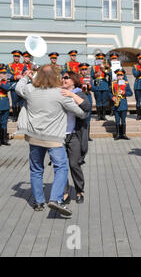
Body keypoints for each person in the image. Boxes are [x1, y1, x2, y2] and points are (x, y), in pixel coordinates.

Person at [15, 65, 89, 216]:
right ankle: (55, 199)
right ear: (56, 77)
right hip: (54, 139)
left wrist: (26, 76)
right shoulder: (60, 93)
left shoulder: (30, 90)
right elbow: (81, 114)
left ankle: (38, 202)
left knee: (36, 169)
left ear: (38, 76)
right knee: (61, 168)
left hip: (34, 137)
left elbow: (18, 88)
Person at [60, 71, 91, 205]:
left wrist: (71, 95)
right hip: (59, 135)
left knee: (74, 164)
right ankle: (65, 192)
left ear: (73, 80)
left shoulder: (79, 93)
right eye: (62, 77)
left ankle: (79, 190)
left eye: (66, 78)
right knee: (61, 166)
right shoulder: (58, 92)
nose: (63, 79)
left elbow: (87, 107)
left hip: (74, 135)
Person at [111, 68, 133, 140]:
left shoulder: (126, 84)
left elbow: (130, 93)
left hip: (123, 103)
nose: (120, 76)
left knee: (123, 120)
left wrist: (124, 92)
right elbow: (109, 93)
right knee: (117, 120)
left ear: (123, 76)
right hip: (116, 104)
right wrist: (112, 97)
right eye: (118, 75)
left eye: (121, 75)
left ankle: (123, 134)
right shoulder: (113, 83)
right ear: (116, 76)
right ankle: (117, 134)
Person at [7, 50, 26, 122]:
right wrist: (15, 77)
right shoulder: (9, 65)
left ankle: (20, 117)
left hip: (21, 86)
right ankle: (15, 117)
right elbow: (7, 75)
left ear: (20, 57)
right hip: (14, 86)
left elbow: (26, 74)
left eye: (18, 56)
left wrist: (23, 76)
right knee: (14, 103)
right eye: (15, 56)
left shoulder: (23, 66)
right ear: (13, 57)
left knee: (21, 103)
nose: (16, 57)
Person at [91, 53, 110, 121]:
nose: (101, 60)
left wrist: (103, 68)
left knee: (104, 101)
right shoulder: (93, 67)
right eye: (99, 58)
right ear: (97, 59)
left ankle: (103, 115)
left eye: (102, 58)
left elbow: (109, 73)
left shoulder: (106, 66)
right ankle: (99, 116)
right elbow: (91, 76)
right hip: (97, 85)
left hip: (104, 85)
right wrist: (92, 86)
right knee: (98, 101)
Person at [79, 63, 93, 141]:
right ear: (80, 70)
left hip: (88, 96)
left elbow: (93, 88)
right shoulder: (77, 78)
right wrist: (82, 86)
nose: (84, 71)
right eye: (83, 69)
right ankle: (81, 135)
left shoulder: (89, 78)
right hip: (81, 96)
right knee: (81, 116)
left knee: (88, 116)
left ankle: (87, 136)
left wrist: (89, 86)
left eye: (85, 69)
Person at [0, 64, 11, 146]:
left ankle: (4, 140)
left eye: (5, 73)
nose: (4, 74)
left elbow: (7, 88)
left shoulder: (6, 82)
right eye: (2, 73)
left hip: (5, 104)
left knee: (4, 122)